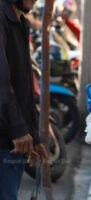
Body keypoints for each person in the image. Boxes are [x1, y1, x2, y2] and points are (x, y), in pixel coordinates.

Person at [0, 0, 48, 199]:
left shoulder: (20, 20)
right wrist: (19, 130)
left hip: (15, 141)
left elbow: (24, 85)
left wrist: (33, 137)